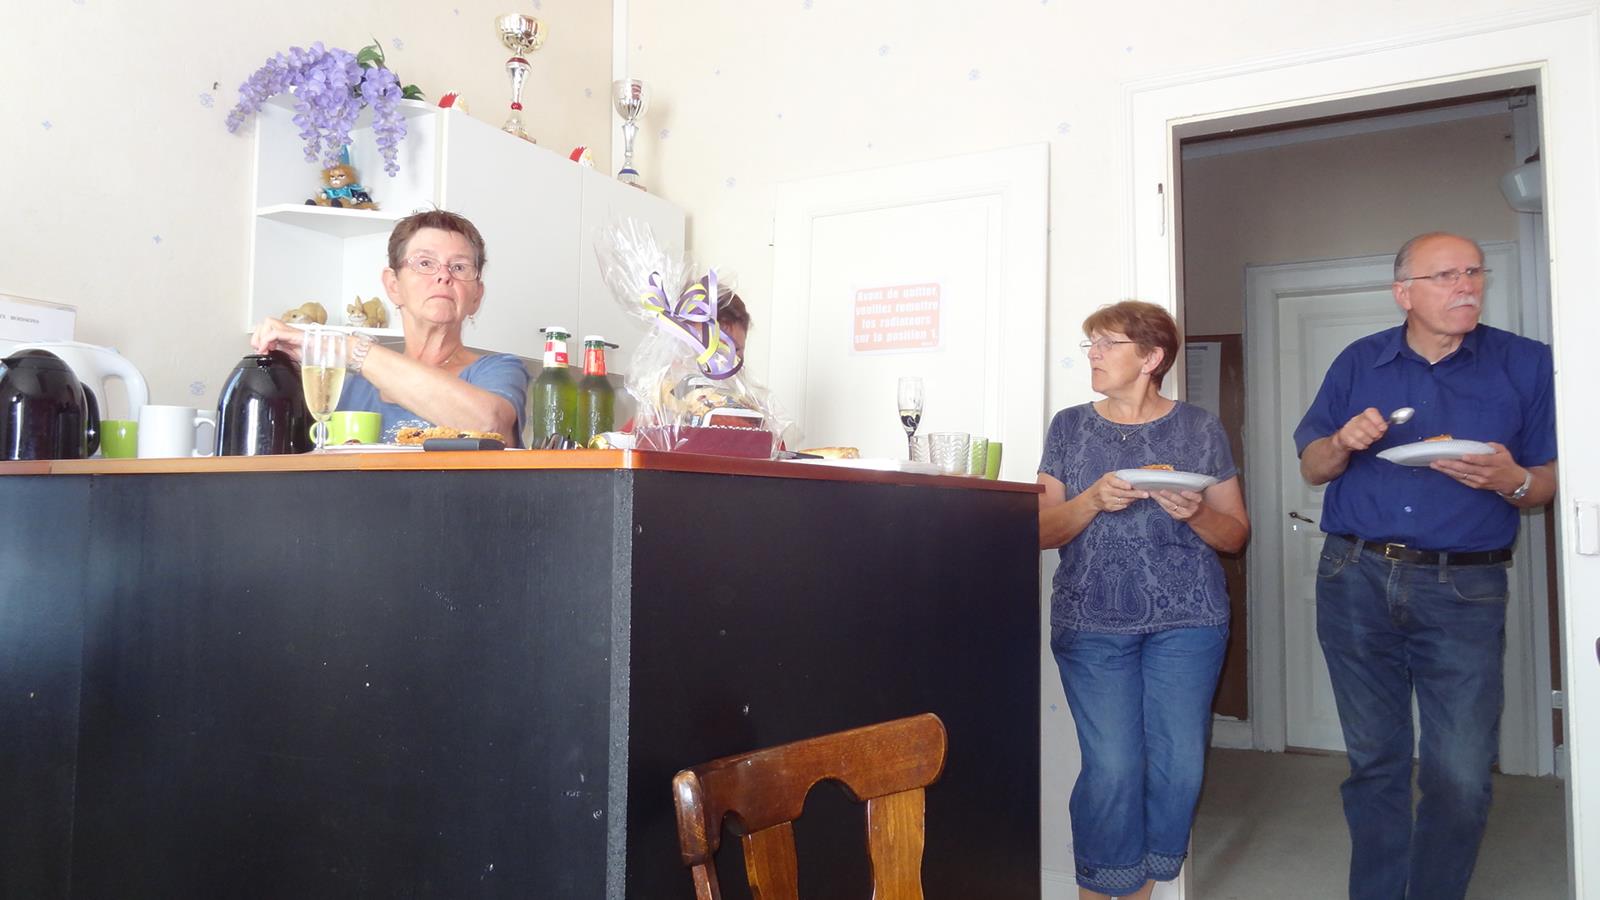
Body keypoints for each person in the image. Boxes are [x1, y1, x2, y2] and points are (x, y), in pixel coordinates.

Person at [1293, 231, 1557, 900]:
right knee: (1375, 762)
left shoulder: (1526, 364)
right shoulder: (1360, 360)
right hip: (1354, 576)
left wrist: (1512, 479)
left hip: (1465, 585)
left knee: (1460, 771)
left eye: (1473, 272)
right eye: (1445, 275)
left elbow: (1548, 483)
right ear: (1403, 293)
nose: (1465, 285)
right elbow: (1313, 466)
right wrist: (1342, 441)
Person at [1037, 300, 1249, 900]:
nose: (1094, 355)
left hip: (1189, 621)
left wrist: (1197, 512)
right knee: (1113, 769)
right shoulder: (1069, 427)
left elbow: (1235, 535)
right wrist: (1091, 501)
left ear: (1152, 358)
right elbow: (1040, 530)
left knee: (1178, 767)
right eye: (1091, 344)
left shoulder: (1200, 429)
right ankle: (1097, 889)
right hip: (1091, 621)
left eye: (1108, 344)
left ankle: (1143, 887)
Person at [251, 210, 528, 445]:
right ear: (393, 285)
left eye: (459, 267)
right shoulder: (345, 389)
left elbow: (489, 425)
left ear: (477, 296)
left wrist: (350, 348)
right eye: (425, 263)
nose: (444, 276)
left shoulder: (497, 371)